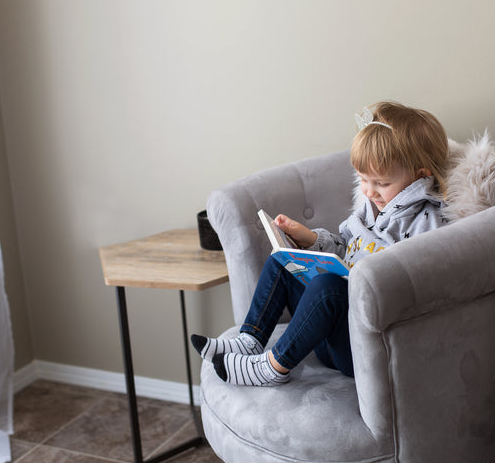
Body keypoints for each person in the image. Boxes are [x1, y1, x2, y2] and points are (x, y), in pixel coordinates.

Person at [191, 101, 450, 387]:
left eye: (381, 183)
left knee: (328, 289)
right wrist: (311, 240)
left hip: (362, 346)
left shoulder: (427, 220)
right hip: (327, 331)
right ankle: (250, 339)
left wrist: (362, 278)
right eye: (363, 179)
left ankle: (272, 369)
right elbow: (346, 249)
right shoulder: (370, 207)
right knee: (282, 260)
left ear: (420, 176)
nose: (368, 190)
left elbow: (420, 285)